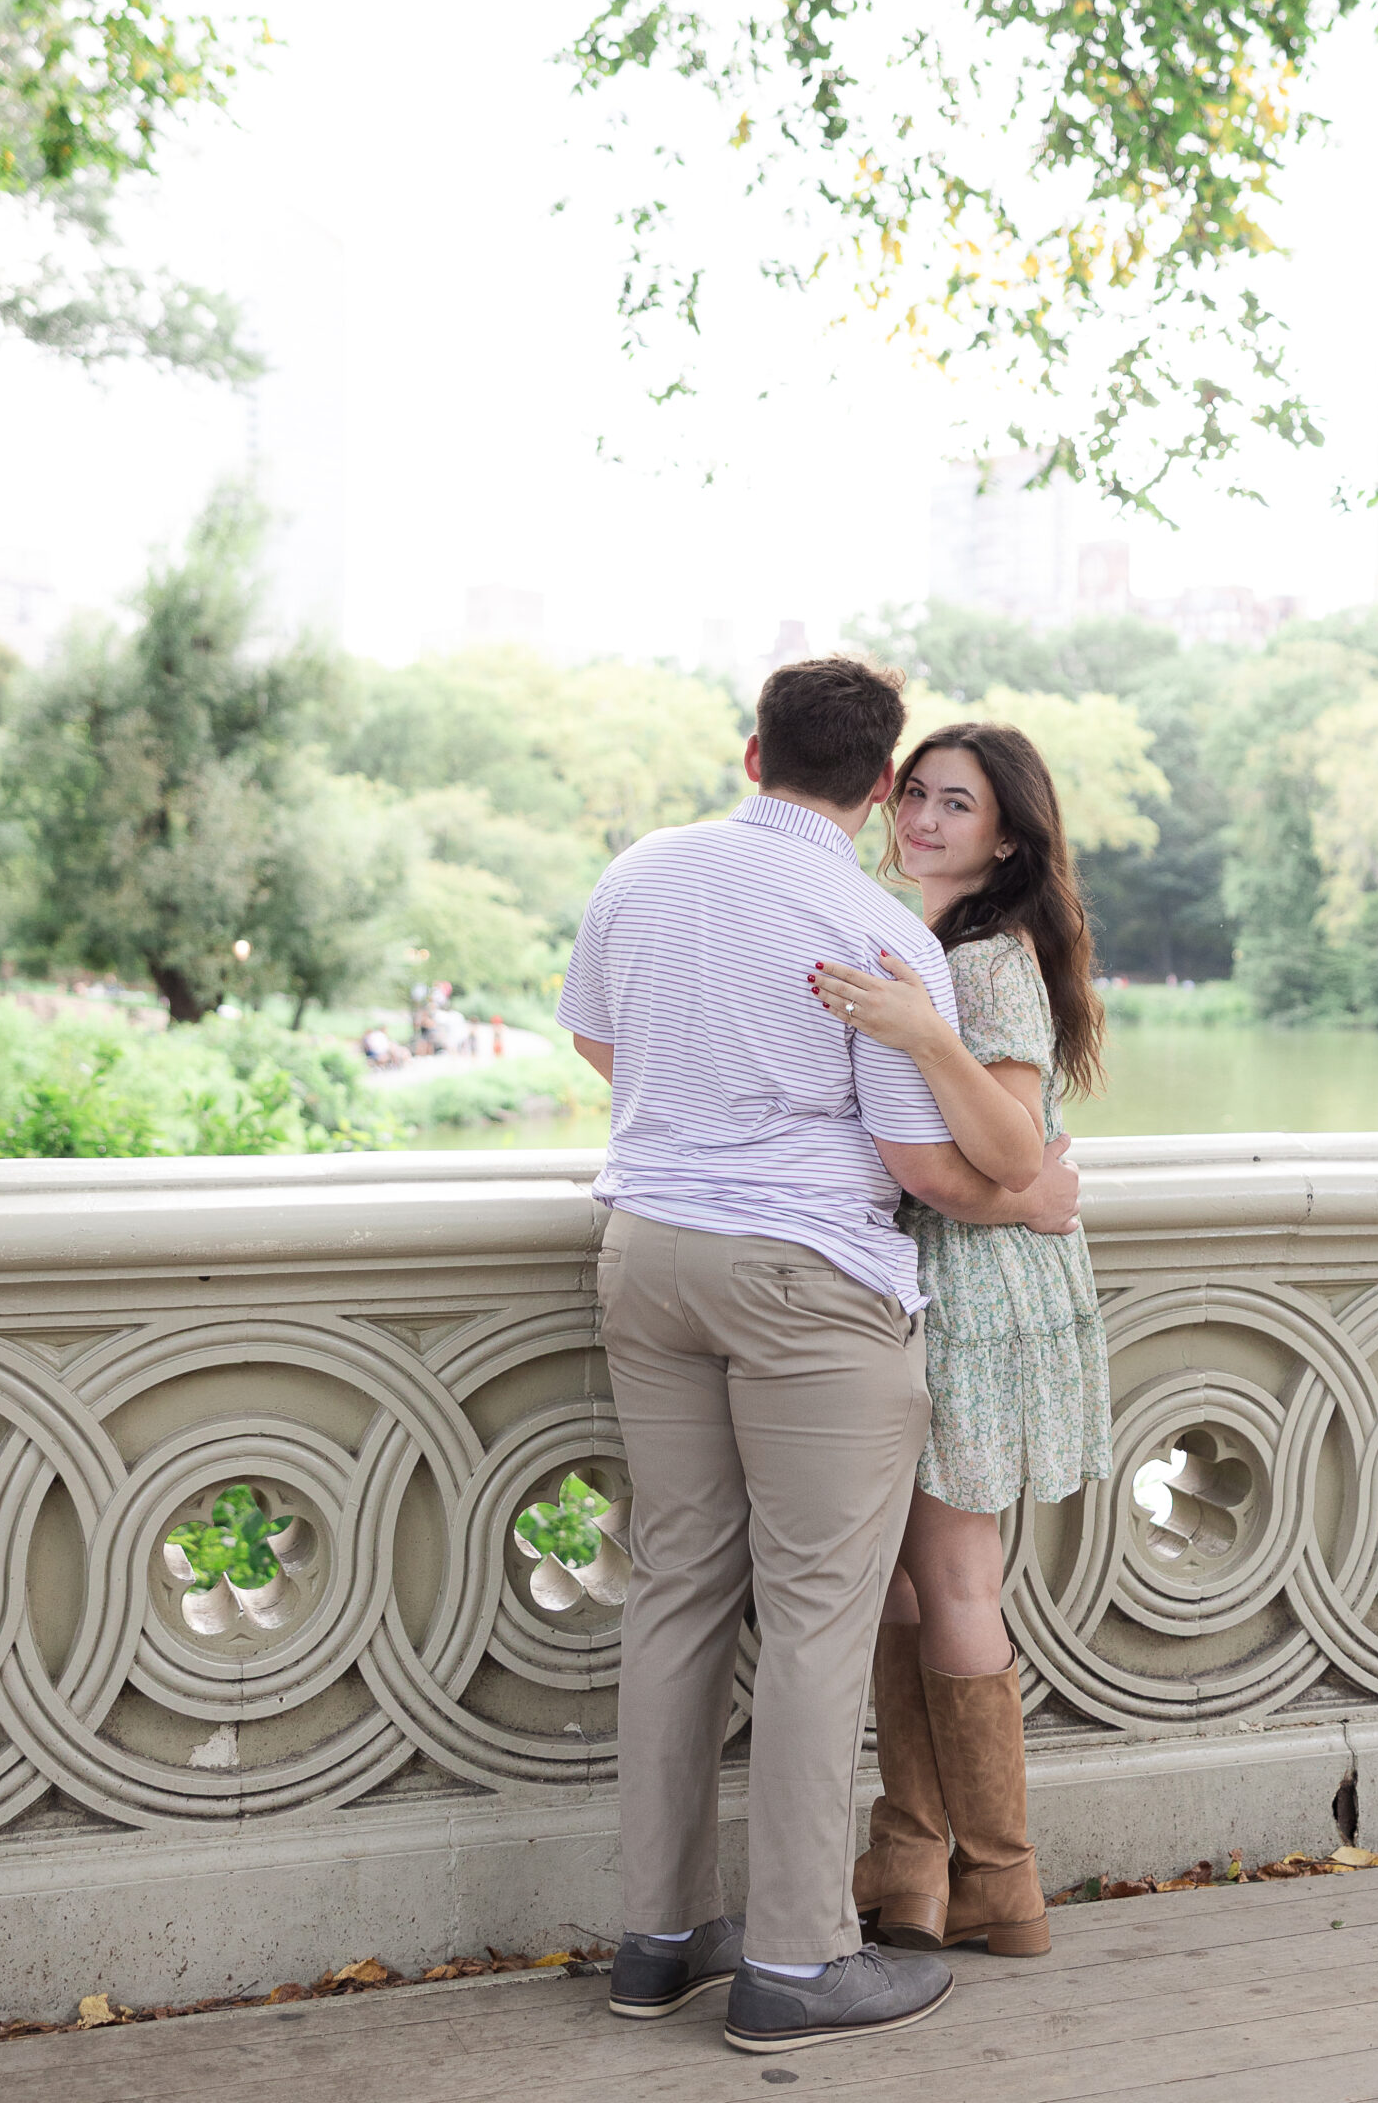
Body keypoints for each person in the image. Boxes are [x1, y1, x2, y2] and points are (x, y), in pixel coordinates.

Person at [558, 659, 1081, 2057]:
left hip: (645, 1253)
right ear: (876, 786)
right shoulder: (875, 933)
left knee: (676, 1590)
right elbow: (922, 1163)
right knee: (813, 1619)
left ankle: (657, 1942)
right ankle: (794, 1960)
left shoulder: (640, 873)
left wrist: (708, 1120)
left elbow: (601, 1040)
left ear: (752, 755)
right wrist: (1028, 1196)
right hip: (806, 1287)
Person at [809, 722, 1111, 1961]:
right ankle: (915, 1862)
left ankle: (997, 1877)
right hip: (942, 1275)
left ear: (1006, 840)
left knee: (950, 1581)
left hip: (973, 1292)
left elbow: (1011, 1150)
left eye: (956, 805)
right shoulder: (937, 943)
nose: (923, 820)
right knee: (905, 1580)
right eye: (916, 795)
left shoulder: (985, 961)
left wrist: (923, 1035)